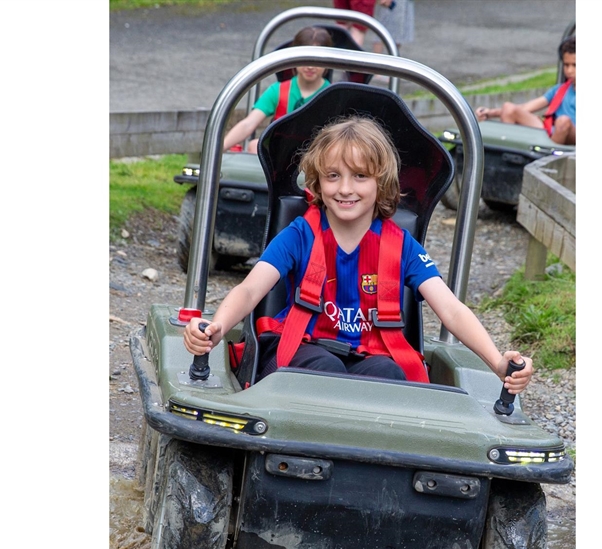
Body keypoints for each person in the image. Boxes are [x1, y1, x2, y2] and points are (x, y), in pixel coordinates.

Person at [184, 116, 534, 393]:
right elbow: (250, 289)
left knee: (389, 374)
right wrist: (217, 326)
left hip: (371, 355)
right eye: (334, 176)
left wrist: (497, 361)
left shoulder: (402, 246)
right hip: (304, 350)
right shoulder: (300, 234)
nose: (346, 188)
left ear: (381, 183)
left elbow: (451, 309)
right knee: (327, 371)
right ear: (318, 183)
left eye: (360, 176)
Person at [221, 26, 334, 154]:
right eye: (305, 59)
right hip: (279, 157)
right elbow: (248, 124)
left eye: (316, 60)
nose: (309, 66)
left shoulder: (333, 95)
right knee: (254, 145)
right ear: (294, 58)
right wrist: (217, 150)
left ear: (328, 62)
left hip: (315, 158)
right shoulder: (278, 91)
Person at [475, 36, 576, 145]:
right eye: (566, 65)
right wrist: (490, 113)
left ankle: (548, 156)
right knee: (509, 108)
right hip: (553, 130)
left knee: (563, 121)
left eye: (575, 65)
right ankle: (509, 153)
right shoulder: (560, 90)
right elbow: (525, 108)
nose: (569, 70)